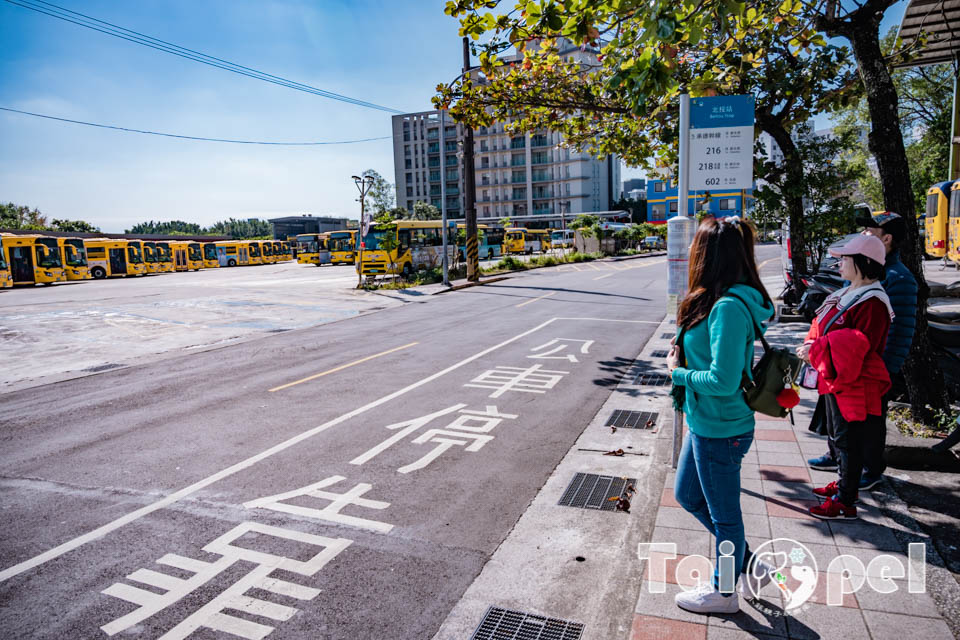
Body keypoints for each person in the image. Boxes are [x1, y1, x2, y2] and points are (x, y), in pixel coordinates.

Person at [666, 216, 776, 614]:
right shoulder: (717, 298)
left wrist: (677, 372)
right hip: (704, 422)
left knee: (725, 517)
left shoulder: (728, 306)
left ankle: (724, 592)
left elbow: (723, 380)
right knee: (687, 495)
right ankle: (747, 564)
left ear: (708, 255)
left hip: (720, 428)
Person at [807, 212, 917, 490]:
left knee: (867, 425)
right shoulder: (859, 269)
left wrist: (886, 369)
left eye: (870, 231)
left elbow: (899, 331)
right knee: (841, 424)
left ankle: (866, 472)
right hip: (841, 366)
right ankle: (841, 460)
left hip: (868, 369)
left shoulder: (898, 279)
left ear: (887, 239)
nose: (863, 236)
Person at [797, 234, 893, 519]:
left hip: (852, 382)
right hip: (837, 378)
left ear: (864, 262)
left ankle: (846, 501)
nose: (839, 263)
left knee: (848, 439)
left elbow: (858, 345)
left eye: (845, 259)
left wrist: (817, 349)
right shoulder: (853, 291)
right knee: (839, 437)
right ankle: (843, 486)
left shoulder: (873, 301)